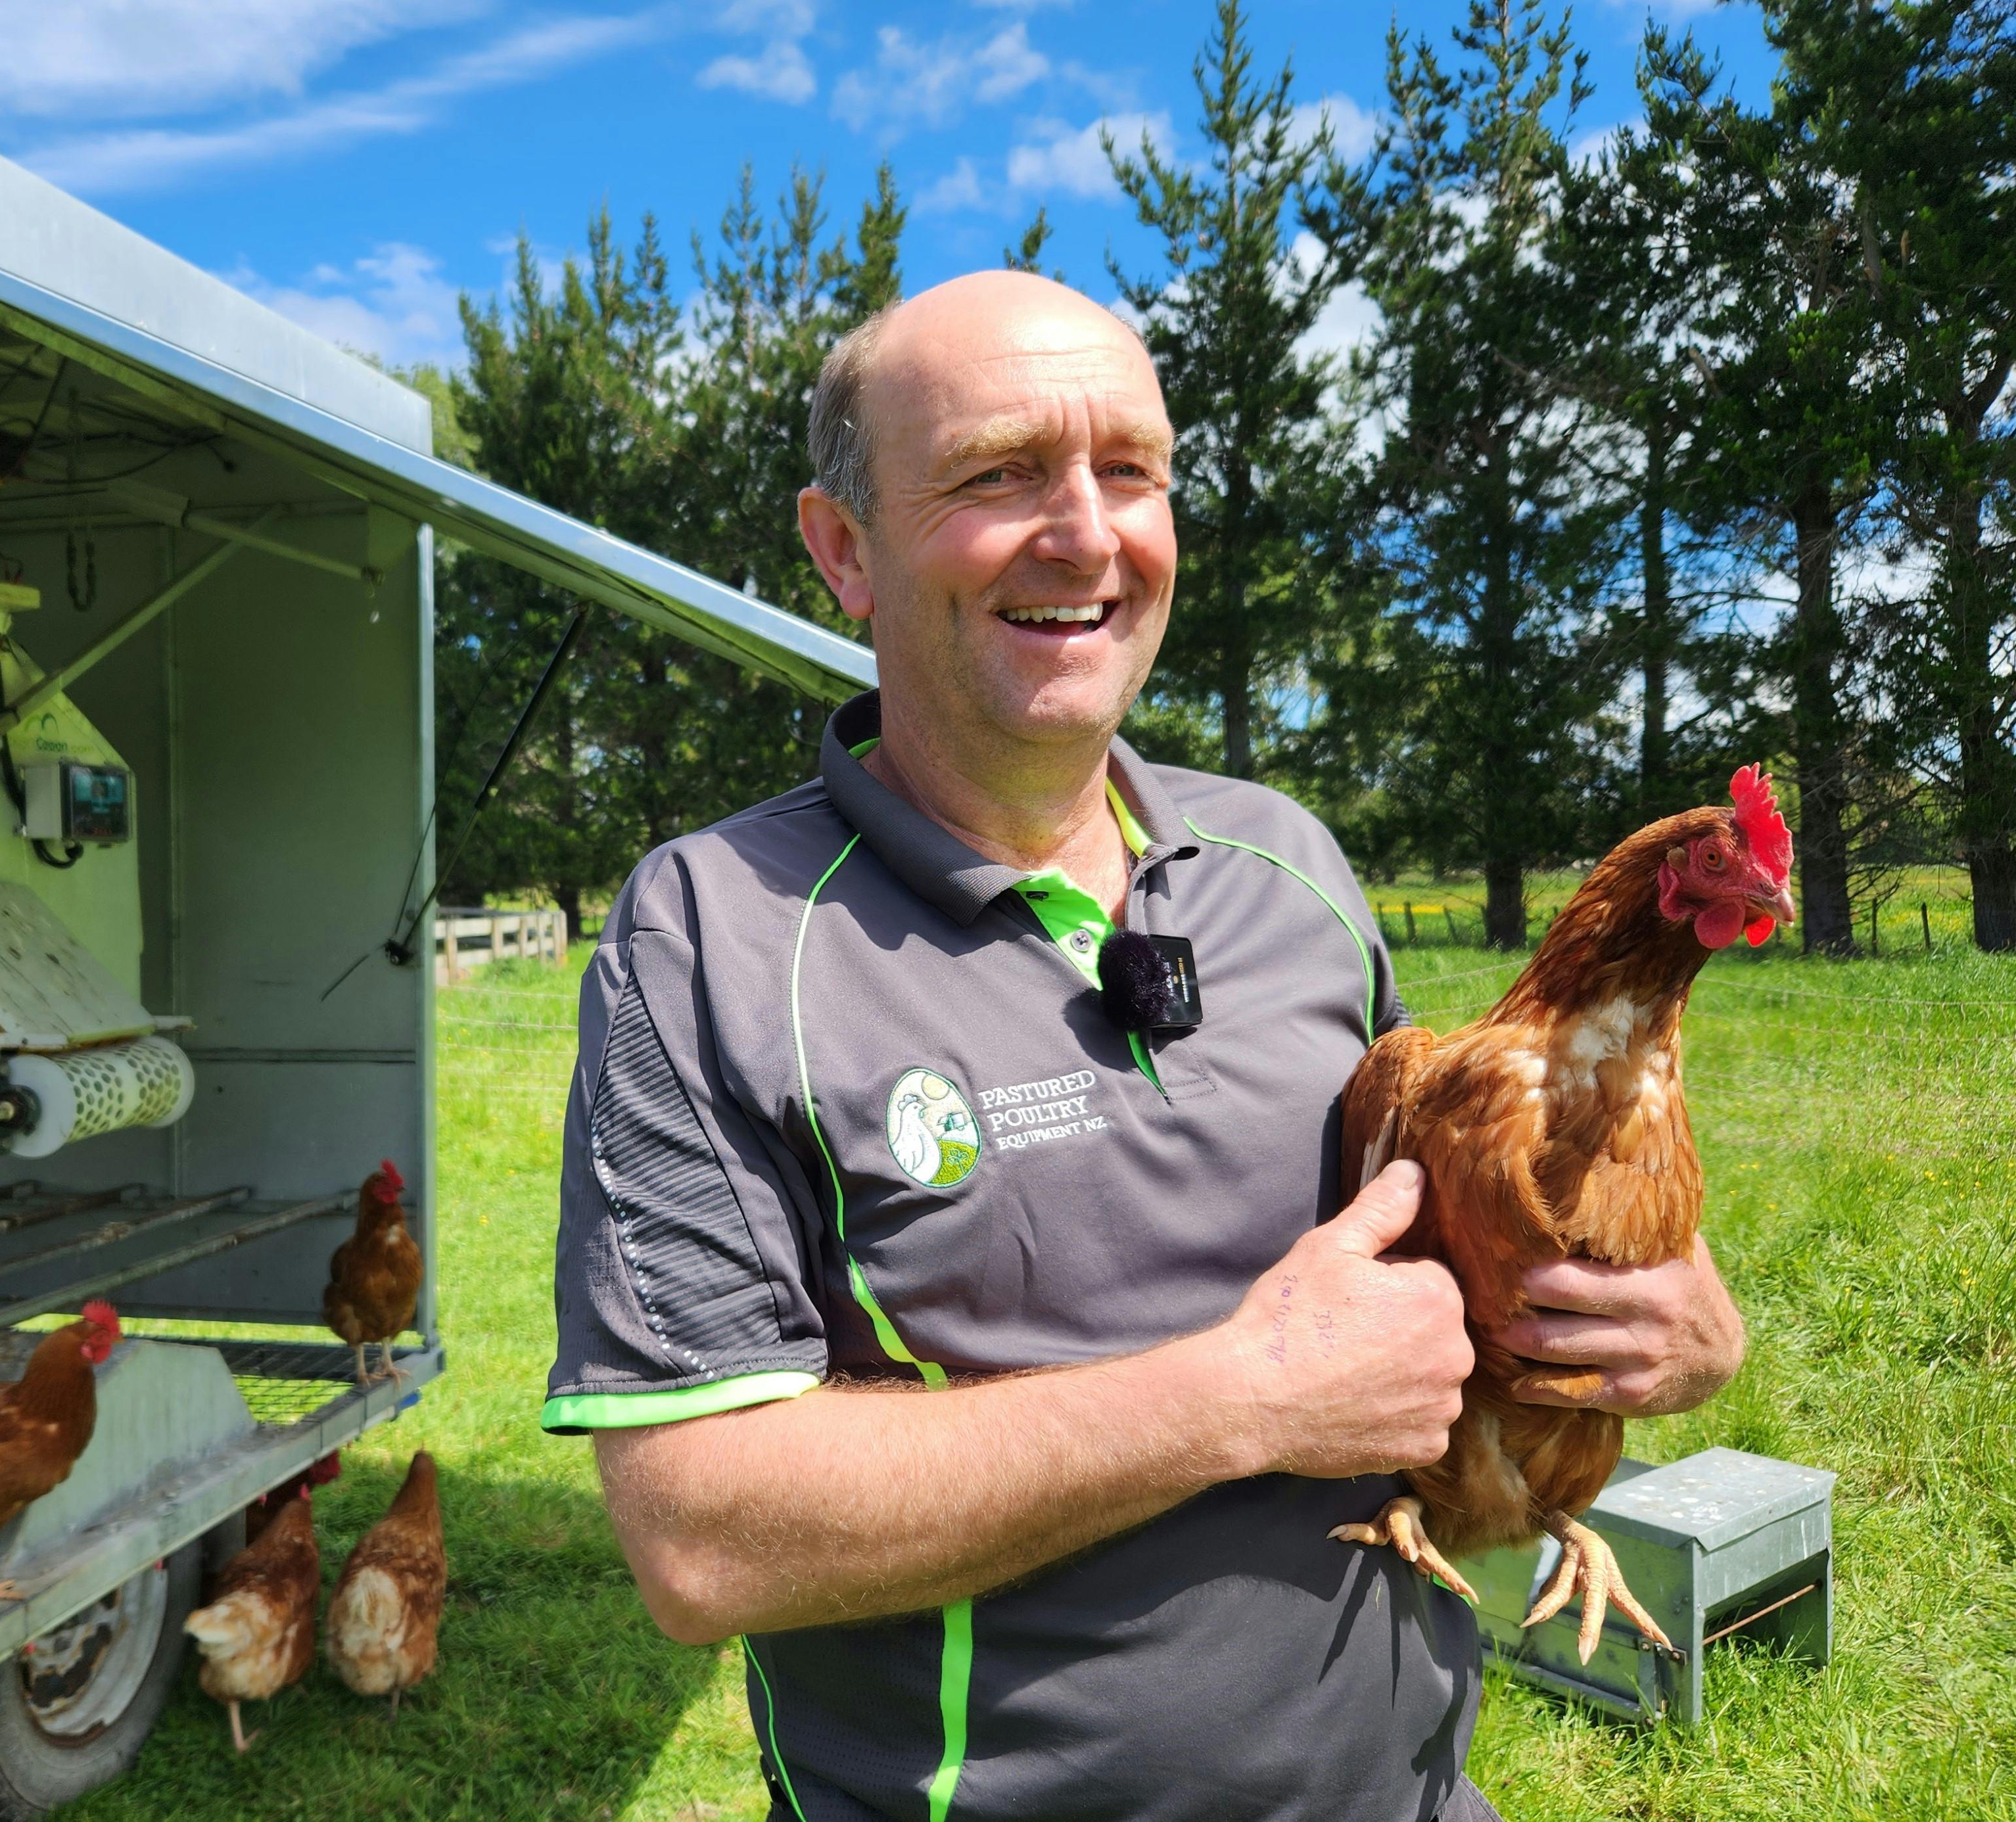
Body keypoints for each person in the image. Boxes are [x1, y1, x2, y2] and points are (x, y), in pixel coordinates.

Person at [542, 270, 1745, 1822]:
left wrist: (1678, 1331)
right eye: (996, 474)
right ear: (843, 552)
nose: (1088, 534)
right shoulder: (711, 937)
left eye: (1132, 471)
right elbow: (699, 1539)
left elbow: (1455, 1238)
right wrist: (1235, 1400)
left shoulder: (1287, 859)